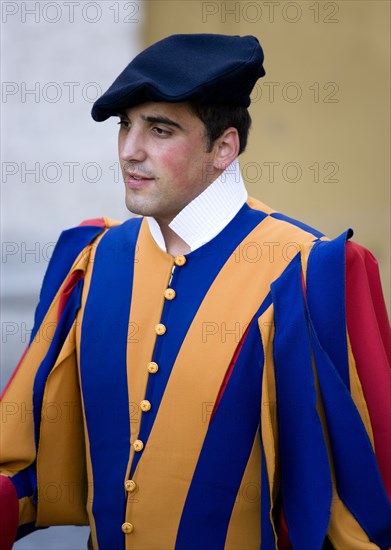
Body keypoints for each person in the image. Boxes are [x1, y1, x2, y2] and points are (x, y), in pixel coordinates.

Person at [1, 34, 390, 550]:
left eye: (160, 130)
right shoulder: (91, 261)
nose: (130, 151)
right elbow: (27, 456)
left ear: (224, 147)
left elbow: (360, 504)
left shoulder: (308, 272)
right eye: (125, 126)